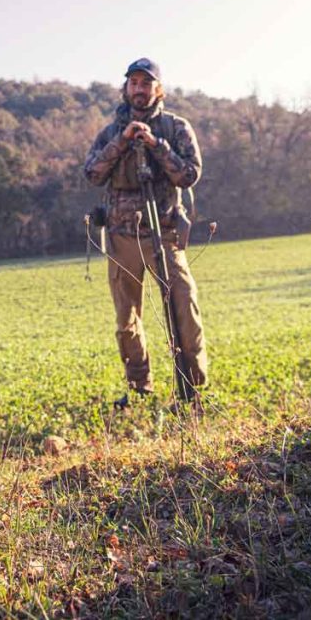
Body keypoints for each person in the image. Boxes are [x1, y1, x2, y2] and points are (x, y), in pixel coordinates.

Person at [84, 57, 208, 412]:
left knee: (184, 307)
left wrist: (156, 145)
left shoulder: (175, 127)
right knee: (127, 321)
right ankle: (139, 387)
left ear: (158, 89)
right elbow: (92, 173)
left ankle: (192, 390)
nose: (139, 89)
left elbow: (189, 175)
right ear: (126, 89)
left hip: (164, 233)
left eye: (146, 83)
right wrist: (122, 142)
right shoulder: (109, 133)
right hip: (122, 237)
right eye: (133, 83)